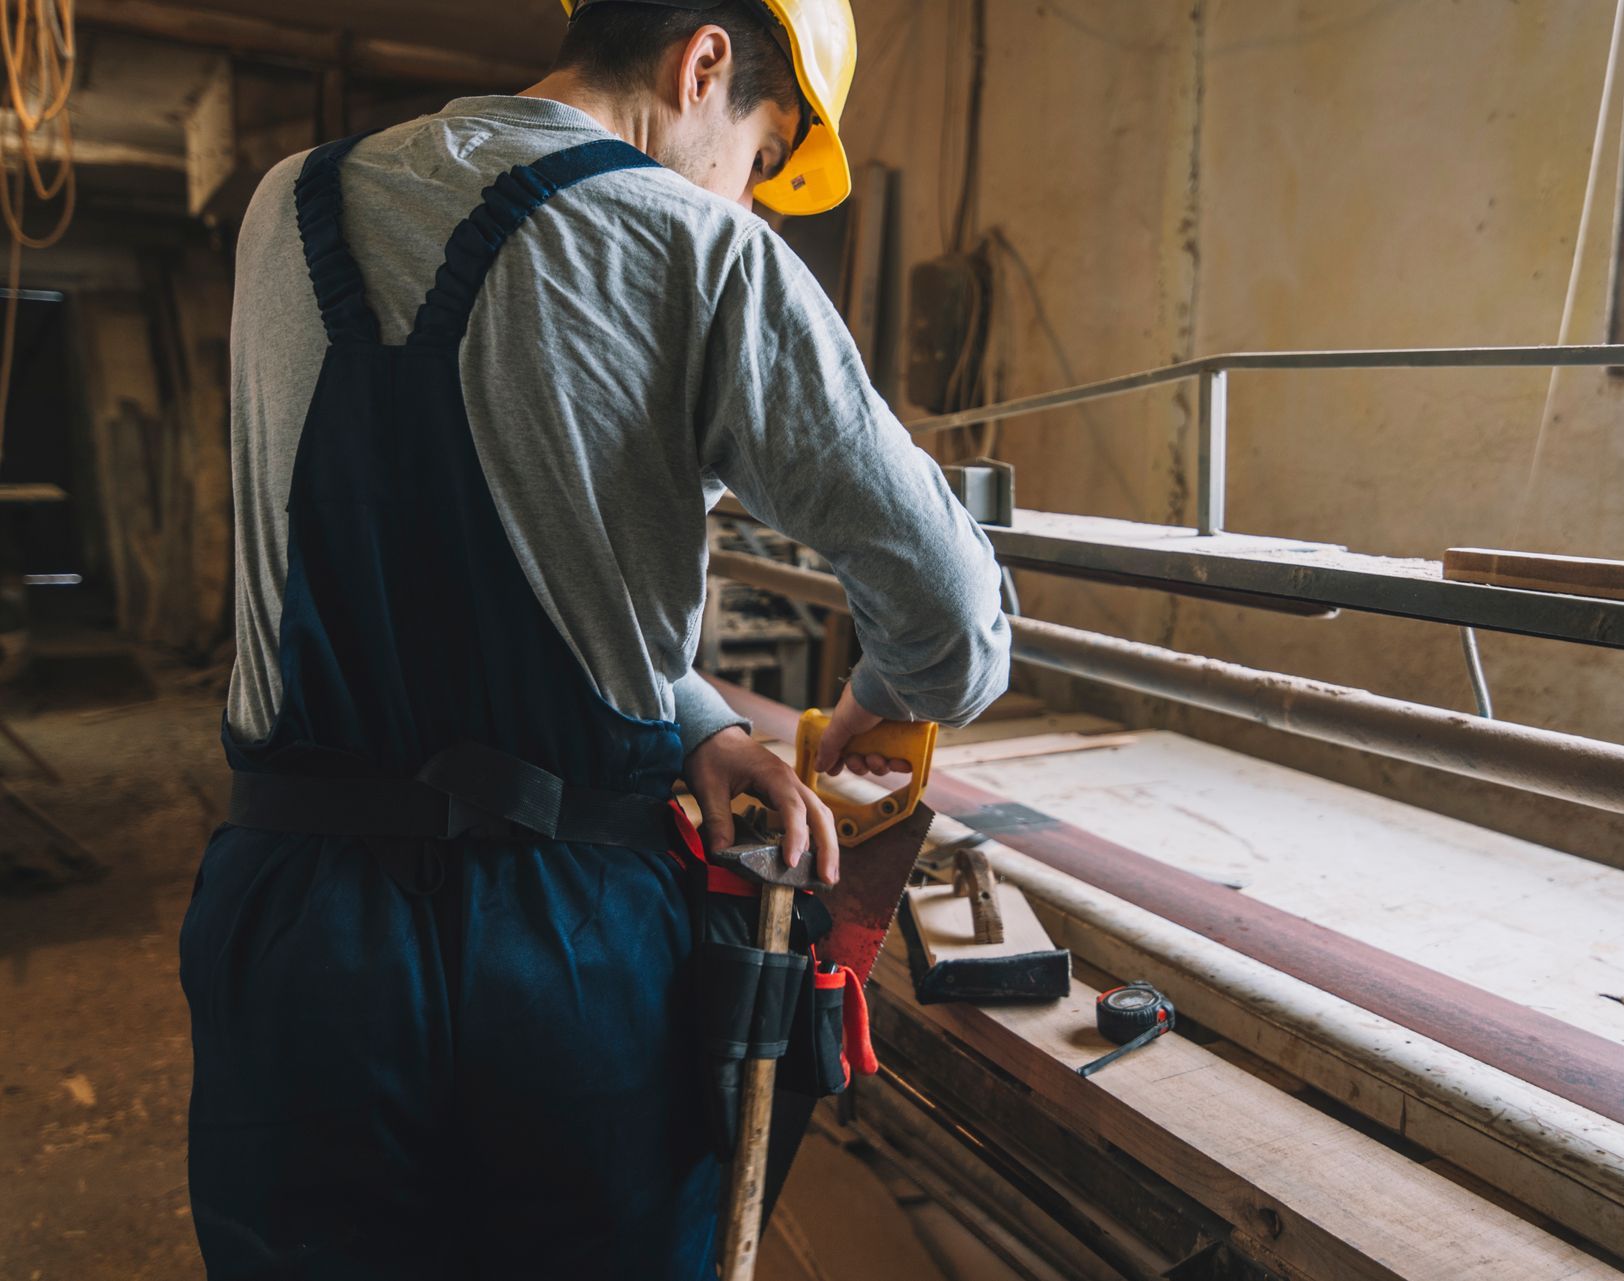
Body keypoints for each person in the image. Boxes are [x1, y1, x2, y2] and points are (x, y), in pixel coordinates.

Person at [179, 1, 1010, 1275]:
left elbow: (445, 559)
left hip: (294, 933)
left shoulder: (284, 209)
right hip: (561, 957)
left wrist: (695, 723)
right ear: (705, 64)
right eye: (763, 155)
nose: (755, 199)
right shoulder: (702, 250)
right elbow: (954, 620)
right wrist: (870, 707)